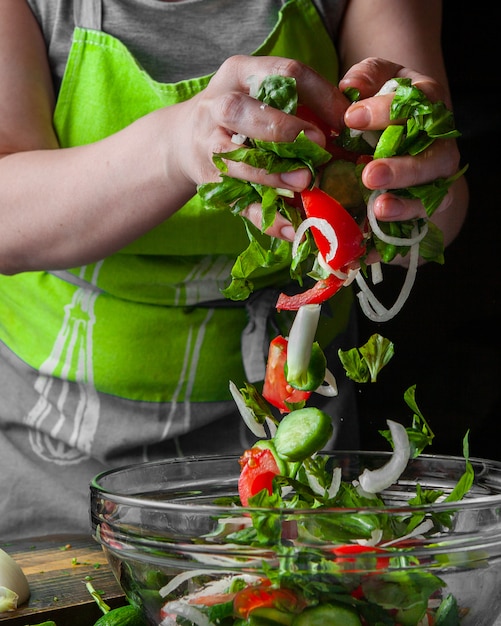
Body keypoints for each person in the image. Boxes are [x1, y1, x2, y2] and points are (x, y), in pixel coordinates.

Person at [0, 0, 467, 541]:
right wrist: (176, 146)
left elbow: (442, 217)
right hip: (56, 455)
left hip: (298, 446)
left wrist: (415, 179)